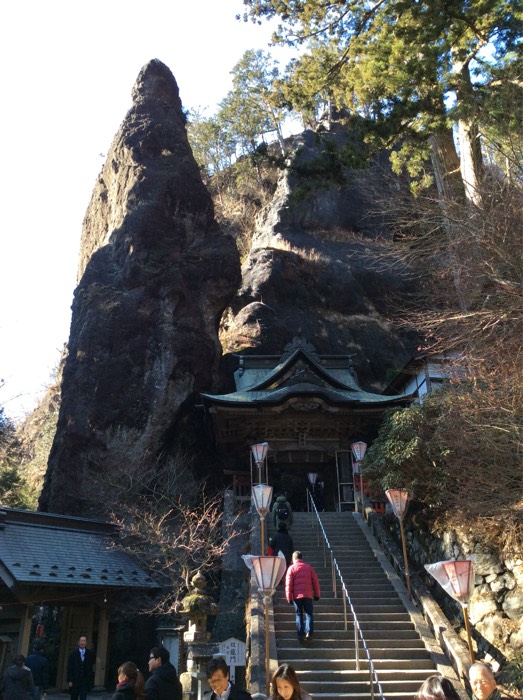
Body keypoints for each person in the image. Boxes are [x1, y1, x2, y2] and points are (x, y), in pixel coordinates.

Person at [285, 550, 320, 641]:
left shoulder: (291, 568)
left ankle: (300, 634)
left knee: (299, 614)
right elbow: (315, 582)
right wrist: (317, 594)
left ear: (294, 558)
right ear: (301, 558)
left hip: (297, 596)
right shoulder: (309, 567)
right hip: (308, 595)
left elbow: (289, 584)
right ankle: (309, 632)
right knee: (309, 614)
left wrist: (289, 597)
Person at [67, 635, 94, 700]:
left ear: (86, 642)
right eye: (81, 641)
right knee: (74, 697)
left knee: (83, 697)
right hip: (75, 679)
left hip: (84, 680)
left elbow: (90, 667)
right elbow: (69, 667)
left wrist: (90, 680)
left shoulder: (89, 653)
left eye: (84, 641)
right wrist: (70, 680)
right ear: (78, 642)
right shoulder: (73, 653)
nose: (82, 642)